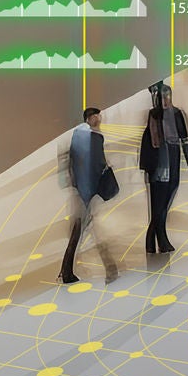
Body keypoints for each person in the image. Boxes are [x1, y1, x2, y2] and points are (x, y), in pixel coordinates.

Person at [62, 106, 121, 284]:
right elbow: (97, 164)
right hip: (88, 191)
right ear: (91, 119)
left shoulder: (77, 136)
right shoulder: (95, 138)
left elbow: (72, 162)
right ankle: (109, 268)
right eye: (96, 116)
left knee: (81, 230)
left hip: (81, 190)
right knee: (87, 230)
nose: (99, 119)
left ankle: (67, 271)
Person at [139, 82, 188, 255]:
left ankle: (153, 239)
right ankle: (158, 239)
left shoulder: (177, 114)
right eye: (162, 97)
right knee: (158, 202)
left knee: (169, 193)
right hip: (160, 160)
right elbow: (152, 141)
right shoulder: (154, 116)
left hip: (173, 155)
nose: (165, 100)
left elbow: (184, 138)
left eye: (167, 96)